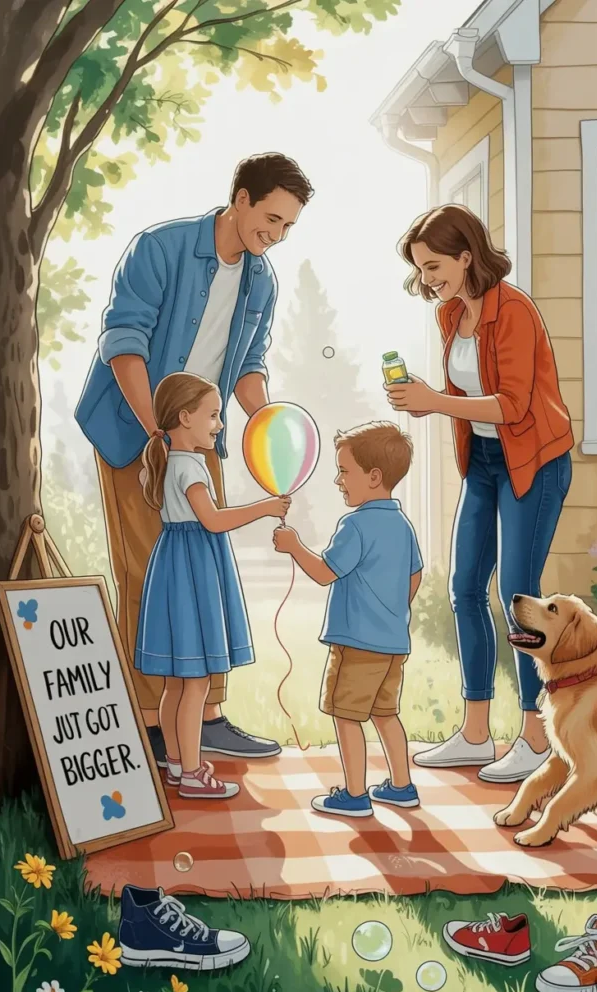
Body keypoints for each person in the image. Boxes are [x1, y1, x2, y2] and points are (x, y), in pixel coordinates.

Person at [75, 152, 313, 767]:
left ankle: (206, 715)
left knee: (205, 573)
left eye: (287, 227)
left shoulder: (261, 279)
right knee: (147, 571)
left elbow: (250, 367)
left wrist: (267, 432)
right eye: (270, 219)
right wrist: (159, 434)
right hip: (138, 433)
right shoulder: (161, 248)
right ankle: (153, 722)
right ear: (239, 199)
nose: (276, 235)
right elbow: (124, 346)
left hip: (202, 439)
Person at [386, 204, 573, 784]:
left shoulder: (513, 310)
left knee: (517, 593)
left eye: (434, 265)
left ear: (468, 256)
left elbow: (514, 406)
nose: (427, 279)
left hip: (534, 462)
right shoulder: (451, 315)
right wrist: (425, 396)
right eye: (420, 269)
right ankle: (473, 733)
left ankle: (536, 737)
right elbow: (467, 391)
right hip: (486, 463)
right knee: (465, 587)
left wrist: (434, 401)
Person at [136, 372, 290, 797]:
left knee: (174, 680)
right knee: (197, 682)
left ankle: (172, 762)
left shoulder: (173, 459)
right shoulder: (189, 465)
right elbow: (213, 520)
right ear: (185, 417)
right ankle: (190, 773)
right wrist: (264, 508)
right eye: (213, 416)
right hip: (194, 568)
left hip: (176, 564)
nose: (220, 425)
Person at [273, 422, 423, 818]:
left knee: (346, 716)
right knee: (385, 714)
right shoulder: (402, 524)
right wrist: (392, 612)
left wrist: (293, 547)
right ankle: (402, 786)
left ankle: (355, 795)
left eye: (344, 471)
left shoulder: (355, 525)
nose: (338, 480)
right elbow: (415, 576)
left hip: (357, 643)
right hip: (393, 644)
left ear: (374, 477)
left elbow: (325, 572)